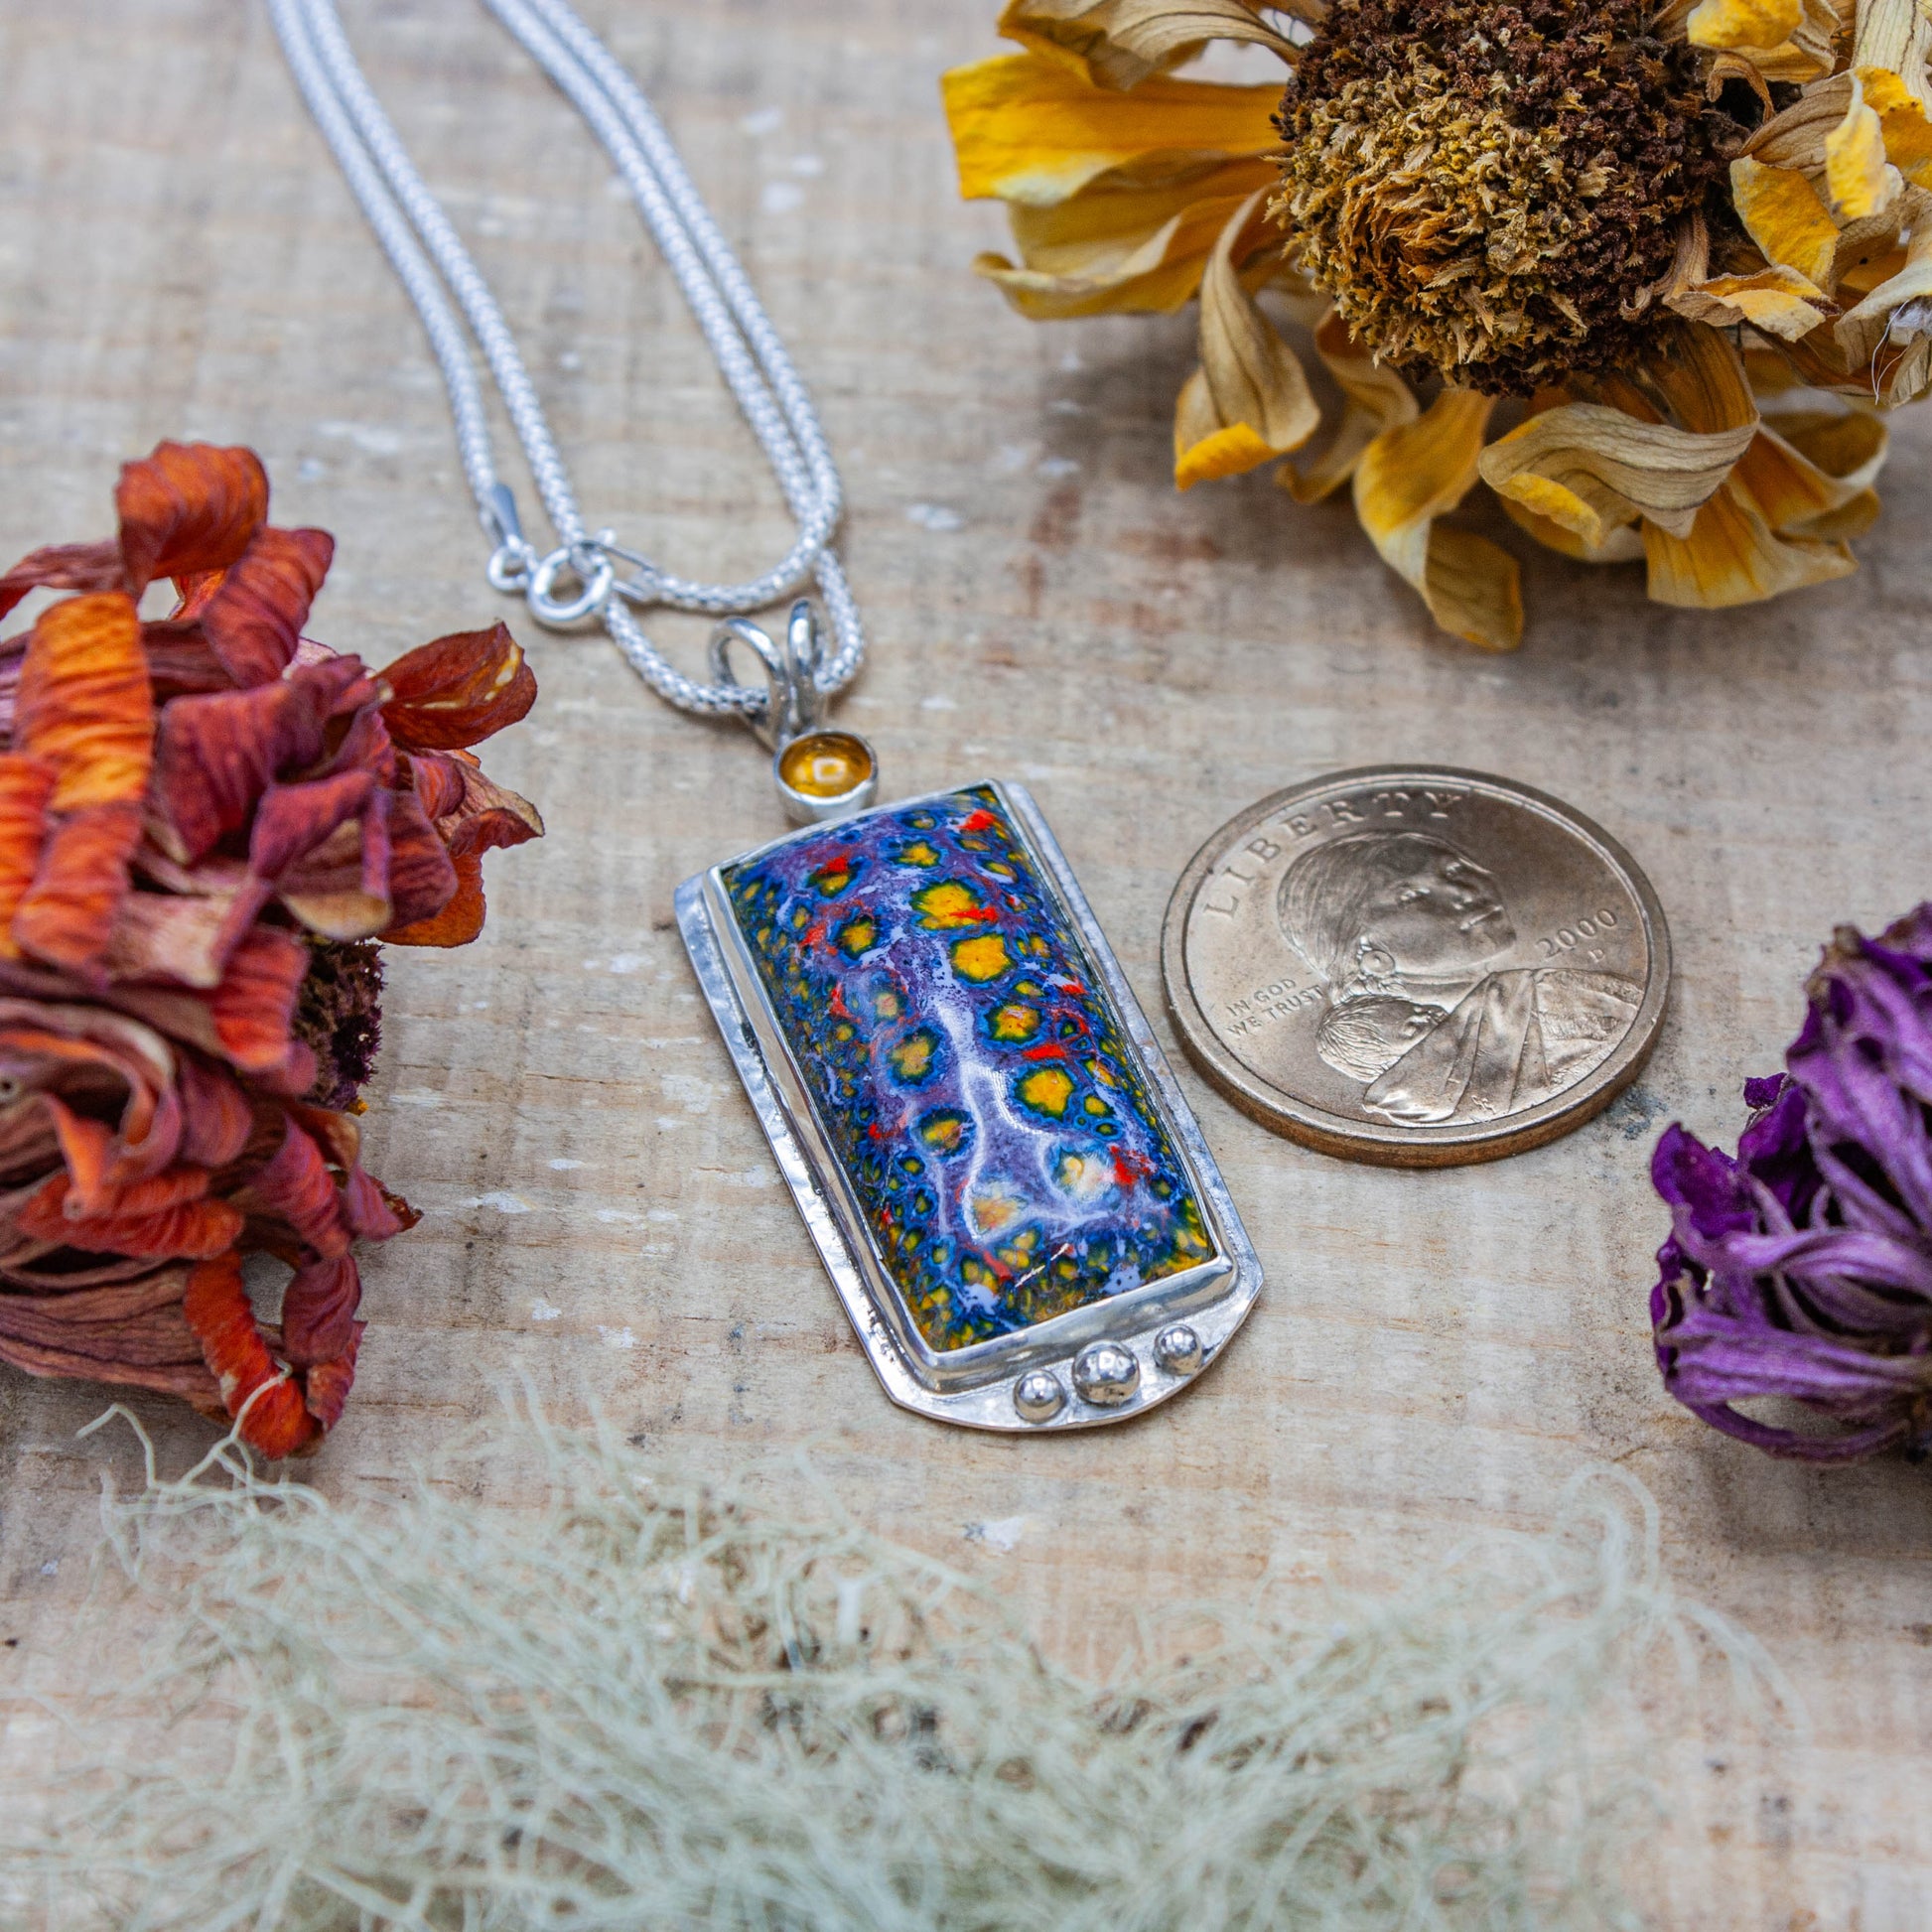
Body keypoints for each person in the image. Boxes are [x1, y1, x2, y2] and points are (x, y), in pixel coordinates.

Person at [1277, 830, 1641, 1125]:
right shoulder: (1397, 1054)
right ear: (1364, 948)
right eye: (1411, 894)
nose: (1466, 892)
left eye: (1454, 870)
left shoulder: (1532, 991)